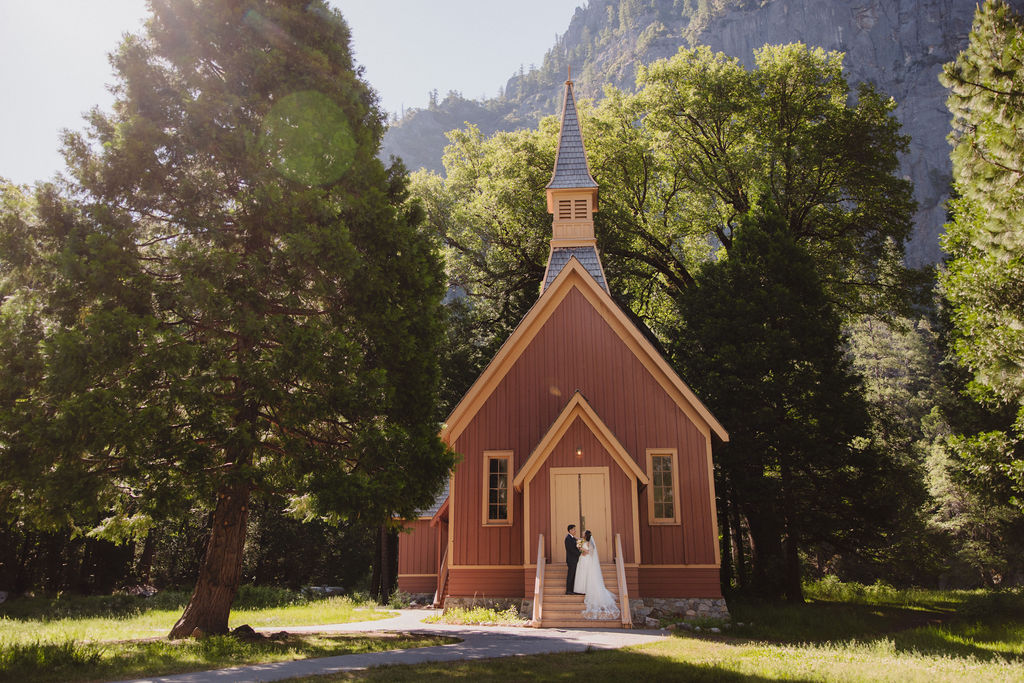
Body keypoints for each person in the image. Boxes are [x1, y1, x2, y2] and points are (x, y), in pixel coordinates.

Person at [573, 530, 620, 620]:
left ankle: (587, 589)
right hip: (582, 560)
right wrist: (577, 542)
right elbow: (578, 541)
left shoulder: (590, 543)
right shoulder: (582, 541)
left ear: (586, 535)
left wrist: (582, 549)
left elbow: (590, 552)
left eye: (583, 533)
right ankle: (581, 588)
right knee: (581, 574)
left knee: (586, 574)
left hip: (586, 560)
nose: (582, 534)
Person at [564, 524, 582, 595]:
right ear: (570, 530)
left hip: (574, 560)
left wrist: (580, 541)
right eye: (574, 529)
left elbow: (578, 545)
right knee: (571, 575)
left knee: (574, 575)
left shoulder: (573, 538)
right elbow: (571, 549)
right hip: (571, 560)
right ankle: (568, 590)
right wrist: (580, 552)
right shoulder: (568, 539)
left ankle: (573, 589)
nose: (575, 531)